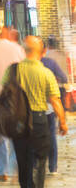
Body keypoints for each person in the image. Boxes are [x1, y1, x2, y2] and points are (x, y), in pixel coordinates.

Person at [3, 36, 68, 188]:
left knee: (23, 160)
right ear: (42, 52)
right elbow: (55, 101)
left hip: (18, 121)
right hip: (39, 119)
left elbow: (5, 93)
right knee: (39, 160)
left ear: (24, 50)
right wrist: (62, 122)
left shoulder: (13, 70)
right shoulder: (46, 73)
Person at [0, 27, 24, 181]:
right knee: (15, 134)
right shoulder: (18, 49)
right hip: (14, 98)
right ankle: (15, 169)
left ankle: (0, 171)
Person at [41, 37, 69, 175]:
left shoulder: (24, 65)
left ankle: (35, 164)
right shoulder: (53, 61)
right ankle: (53, 167)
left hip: (31, 109)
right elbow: (64, 78)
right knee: (51, 135)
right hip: (51, 102)